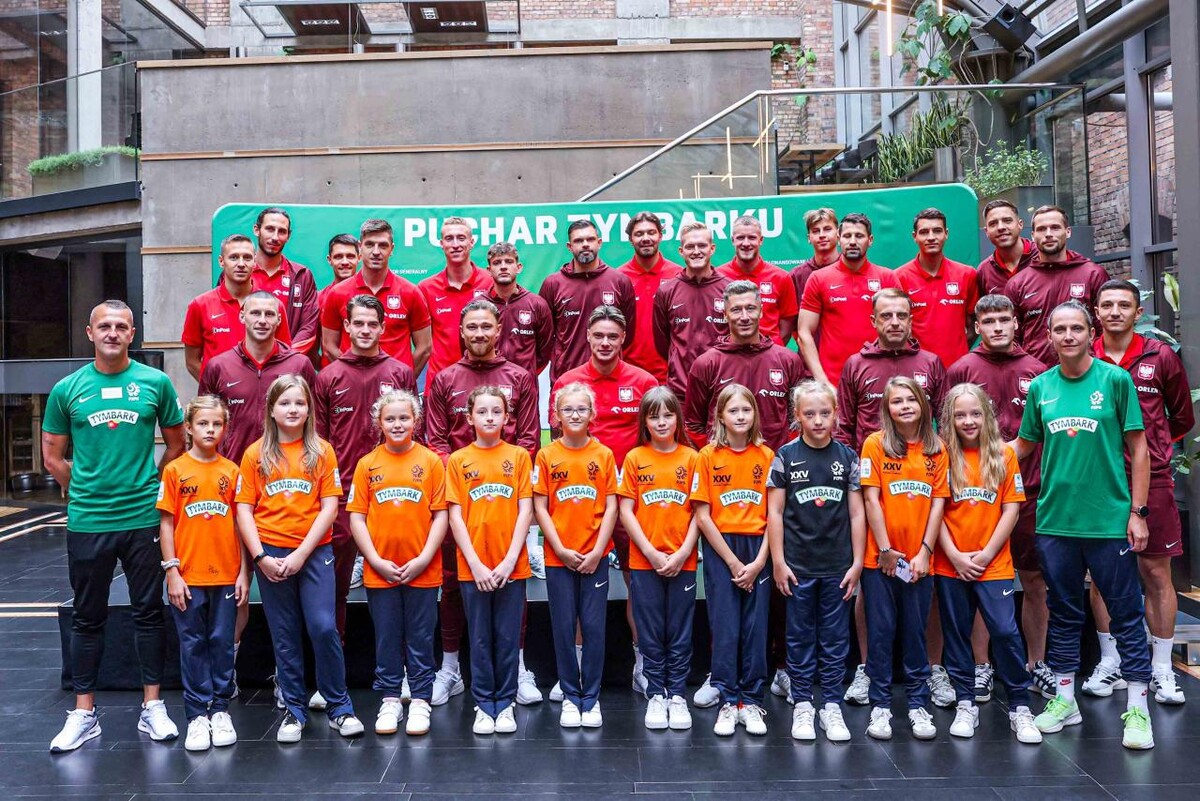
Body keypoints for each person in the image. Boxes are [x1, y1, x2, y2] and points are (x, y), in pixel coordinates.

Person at [44, 300, 186, 753]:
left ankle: (152, 706)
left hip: (142, 516)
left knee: (148, 611)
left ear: (132, 334)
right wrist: (85, 489)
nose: (112, 333)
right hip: (89, 520)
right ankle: (83, 713)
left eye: (121, 326)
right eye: (104, 326)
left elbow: (177, 445)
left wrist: (150, 486)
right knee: (87, 616)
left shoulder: (155, 383)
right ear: (90, 332)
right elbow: (52, 456)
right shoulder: (67, 389)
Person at [1012, 300, 1155, 750]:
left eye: (1076, 328)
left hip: (1108, 522)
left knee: (1126, 614)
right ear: (1049, 336)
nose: (1068, 335)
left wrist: (1137, 512)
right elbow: (1022, 446)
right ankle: (1064, 700)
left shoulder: (1115, 380)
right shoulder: (1041, 386)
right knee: (1063, 613)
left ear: (1090, 332)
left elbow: (1140, 449)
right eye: (1060, 329)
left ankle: (1138, 708)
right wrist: (970, 457)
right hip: (1055, 522)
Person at [424, 299, 541, 707]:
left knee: (513, 583)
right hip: (460, 500)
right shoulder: (444, 378)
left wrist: (499, 475)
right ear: (461, 331)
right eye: (471, 326)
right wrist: (465, 474)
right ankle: (450, 668)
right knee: (452, 583)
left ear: (498, 330)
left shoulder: (520, 377)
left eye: (485, 326)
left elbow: (529, 439)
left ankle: (517, 668)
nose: (478, 333)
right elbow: (436, 441)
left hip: (505, 501)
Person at [235, 375, 364, 743]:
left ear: (309, 410)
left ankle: (340, 707)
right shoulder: (255, 454)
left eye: (300, 403)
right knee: (285, 633)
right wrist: (260, 556)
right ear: (271, 410)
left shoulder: (322, 451)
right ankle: (294, 710)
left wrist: (302, 553)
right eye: (285, 403)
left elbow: (330, 507)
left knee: (323, 626)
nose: (293, 409)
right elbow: (244, 510)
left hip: (314, 553)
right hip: (270, 555)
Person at [1084, 280, 1194, 704]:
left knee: (1156, 574)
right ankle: (1111, 661)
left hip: (1155, 480)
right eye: (1107, 305)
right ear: (1096, 312)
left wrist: (1154, 451)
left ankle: (1162, 669)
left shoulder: (1160, 356)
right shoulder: (1083, 354)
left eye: (1123, 305)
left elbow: (1181, 418)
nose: (1115, 312)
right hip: (1099, 482)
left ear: (1137, 312)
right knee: (1102, 577)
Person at [946, 294, 1053, 702]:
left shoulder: (1037, 371)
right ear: (977, 327)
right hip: (973, 496)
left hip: (1030, 492)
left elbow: (1044, 431)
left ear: (1016, 324)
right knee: (977, 577)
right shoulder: (962, 369)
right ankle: (981, 667)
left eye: (1004, 320)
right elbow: (947, 428)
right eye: (988, 321)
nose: (997, 327)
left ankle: (1036, 663)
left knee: (1034, 580)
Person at [551, 306, 659, 695]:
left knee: (639, 584)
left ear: (623, 338)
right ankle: (575, 671)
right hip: (583, 503)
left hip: (632, 500)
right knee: (579, 583)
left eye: (613, 336)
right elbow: (559, 441)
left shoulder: (644, 382)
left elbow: (653, 440)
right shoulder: (568, 382)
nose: (605, 342)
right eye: (598, 335)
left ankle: (643, 665)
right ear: (587, 337)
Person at [934, 383, 1043, 744]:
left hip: (993, 564)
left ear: (987, 416)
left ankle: (1020, 706)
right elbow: (934, 512)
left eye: (975, 413)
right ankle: (966, 702)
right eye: (960, 415)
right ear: (949, 419)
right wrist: (954, 555)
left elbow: (1011, 510)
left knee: (1006, 632)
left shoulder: (1003, 455)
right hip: (950, 563)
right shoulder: (941, 455)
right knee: (956, 634)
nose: (968, 421)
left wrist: (985, 554)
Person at [314, 295, 417, 659]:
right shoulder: (328, 376)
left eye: (372, 324)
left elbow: (412, 436)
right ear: (346, 327)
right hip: (342, 498)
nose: (365, 330)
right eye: (358, 323)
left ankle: (400, 669)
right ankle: (334, 669)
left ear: (383, 328)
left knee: (400, 583)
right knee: (335, 588)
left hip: (395, 494)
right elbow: (319, 443)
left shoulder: (400, 373)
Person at [767, 380, 864, 743]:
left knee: (836, 640)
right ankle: (804, 704)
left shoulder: (848, 458)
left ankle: (832, 705)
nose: (818, 420)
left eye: (825, 413)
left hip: (838, 568)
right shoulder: (785, 456)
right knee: (799, 637)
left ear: (836, 414)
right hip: (797, 568)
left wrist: (857, 562)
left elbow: (857, 514)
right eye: (810, 414)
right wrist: (778, 561)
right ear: (797, 416)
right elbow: (775, 513)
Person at [347, 390, 447, 737]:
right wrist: (374, 559)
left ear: (416, 420)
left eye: (404, 417)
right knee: (387, 638)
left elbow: (440, 515)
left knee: (420, 637)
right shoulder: (367, 464)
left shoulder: (431, 462)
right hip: (381, 572)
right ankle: (390, 699)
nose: (398, 424)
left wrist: (423, 558)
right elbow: (357, 517)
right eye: (390, 418)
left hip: (423, 570)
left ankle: (420, 699)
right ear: (379, 423)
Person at [858, 376, 949, 741]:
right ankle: (880, 705)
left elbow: (938, 503)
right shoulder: (874, 444)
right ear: (887, 409)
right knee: (881, 633)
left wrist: (925, 551)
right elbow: (870, 499)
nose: (905, 406)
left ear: (923, 405)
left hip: (919, 562)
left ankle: (918, 705)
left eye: (911, 399)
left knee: (915, 633)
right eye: (897, 401)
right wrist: (884, 550)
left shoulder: (937, 449)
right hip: (879, 561)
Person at [156, 395, 247, 752]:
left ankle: (220, 709)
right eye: (203, 424)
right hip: (189, 576)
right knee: (193, 643)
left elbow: (240, 525)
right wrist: (172, 572)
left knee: (222, 641)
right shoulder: (175, 470)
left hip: (226, 574)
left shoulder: (232, 471)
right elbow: (166, 524)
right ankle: (196, 714)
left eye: (217, 424)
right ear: (189, 428)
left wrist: (243, 573)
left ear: (225, 428)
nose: (210, 430)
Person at [446, 386, 534, 736]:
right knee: (480, 638)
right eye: (481, 412)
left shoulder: (519, 456)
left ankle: (505, 701)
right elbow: (455, 516)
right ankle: (484, 704)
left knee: (507, 637)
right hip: (474, 568)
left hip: (512, 565)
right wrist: (475, 564)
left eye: (496, 411)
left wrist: (510, 559)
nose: (489, 418)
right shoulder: (458, 460)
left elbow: (526, 510)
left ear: (507, 417)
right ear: (469, 418)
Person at [690, 384, 775, 736]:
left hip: (759, 550)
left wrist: (758, 563)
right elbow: (702, 515)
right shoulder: (707, 456)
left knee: (756, 629)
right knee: (725, 626)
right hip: (721, 549)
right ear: (720, 417)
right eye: (733, 410)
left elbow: (775, 516)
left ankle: (751, 701)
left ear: (755, 414)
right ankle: (727, 700)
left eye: (746, 410)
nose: (740, 416)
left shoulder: (767, 456)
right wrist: (733, 563)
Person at [534, 382, 619, 728]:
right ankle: (571, 695)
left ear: (592, 414)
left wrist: (598, 550)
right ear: (556, 415)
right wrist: (558, 547)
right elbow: (540, 506)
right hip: (559, 558)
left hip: (595, 558)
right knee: (563, 627)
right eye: (567, 409)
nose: (574, 414)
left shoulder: (604, 455)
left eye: (581, 409)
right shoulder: (546, 456)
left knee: (594, 628)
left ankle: (591, 698)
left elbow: (612, 506)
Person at [618, 387, 699, 731]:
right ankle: (655, 693)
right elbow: (625, 510)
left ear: (678, 419)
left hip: (683, 561)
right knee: (650, 630)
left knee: (679, 630)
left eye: (668, 415)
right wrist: (650, 552)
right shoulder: (635, 458)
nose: (662, 422)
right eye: (654, 416)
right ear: (644, 422)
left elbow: (699, 513)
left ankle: (676, 694)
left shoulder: (692, 458)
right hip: (644, 561)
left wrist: (682, 552)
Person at [684, 280, 806, 450]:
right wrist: (714, 456)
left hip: (774, 462)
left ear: (761, 311)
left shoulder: (788, 361)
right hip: (722, 463)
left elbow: (798, 419)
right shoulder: (706, 364)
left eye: (750, 308)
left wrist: (784, 456)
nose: (744, 317)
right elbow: (694, 425)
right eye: (736, 310)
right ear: (725, 314)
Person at [199, 291, 317, 464]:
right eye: (255, 313)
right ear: (242, 316)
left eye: (269, 314)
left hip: (287, 470)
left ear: (279, 319)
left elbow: (314, 422)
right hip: (232, 468)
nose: (262, 320)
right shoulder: (218, 366)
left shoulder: (299, 365)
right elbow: (202, 423)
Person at [837, 288, 947, 452]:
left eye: (901, 316)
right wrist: (850, 464)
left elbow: (946, 423)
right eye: (886, 316)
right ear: (874, 321)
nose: (895, 322)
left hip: (923, 462)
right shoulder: (856, 365)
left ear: (910, 321)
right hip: (872, 462)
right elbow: (843, 426)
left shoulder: (931, 363)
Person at [798, 212, 900, 386]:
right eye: (847, 236)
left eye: (859, 236)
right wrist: (822, 381)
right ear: (839, 239)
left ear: (870, 240)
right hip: (834, 382)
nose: (852, 241)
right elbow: (804, 333)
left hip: (880, 381)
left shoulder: (887, 278)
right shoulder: (818, 278)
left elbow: (901, 330)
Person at [321, 219, 431, 372]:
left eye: (383, 245)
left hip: (396, 385)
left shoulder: (411, 292)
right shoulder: (337, 293)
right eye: (370, 244)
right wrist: (350, 376)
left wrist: (403, 379)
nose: (376, 252)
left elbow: (424, 348)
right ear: (360, 247)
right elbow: (329, 346)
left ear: (392, 249)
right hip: (352, 383)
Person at [1005, 206, 1110, 366]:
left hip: (1084, 372)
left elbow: (1105, 330)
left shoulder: (1093, 274)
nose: (1048, 234)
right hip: (1036, 375)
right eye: (1041, 229)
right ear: (1033, 235)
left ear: (1068, 231)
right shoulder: (1017, 283)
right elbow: (1012, 338)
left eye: (1055, 227)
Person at [182, 234, 293, 380]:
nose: (241, 264)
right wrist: (215, 387)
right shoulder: (200, 305)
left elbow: (285, 357)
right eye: (234, 257)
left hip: (263, 391)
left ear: (255, 262)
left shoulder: (273, 305)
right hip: (218, 394)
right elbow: (192, 361)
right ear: (221, 261)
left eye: (247, 258)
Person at [539, 219, 638, 382]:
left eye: (590, 239)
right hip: (566, 378)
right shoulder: (553, 284)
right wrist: (561, 359)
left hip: (609, 377)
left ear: (599, 243)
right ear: (569, 246)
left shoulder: (620, 281)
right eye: (578, 241)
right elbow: (543, 337)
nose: (585, 244)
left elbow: (627, 333)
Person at [652, 222, 731, 400]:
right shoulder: (666, 291)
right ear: (681, 251)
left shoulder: (729, 290)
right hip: (681, 391)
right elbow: (662, 344)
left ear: (712, 249)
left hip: (722, 390)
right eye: (690, 247)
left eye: (702, 245)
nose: (696, 251)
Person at [895, 208, 980, 367]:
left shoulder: (967, 275)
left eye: (937, 231)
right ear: (914, 236)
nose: (931, 237)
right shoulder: (899, 277)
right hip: (916, 369)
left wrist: (959, 351)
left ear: (946, 234)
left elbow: (975, 323)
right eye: (924, 232)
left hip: (957, 368)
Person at [418, 217, 494, 380]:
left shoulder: (490, 282)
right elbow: (421, 343)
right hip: (440, 381)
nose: (455, 244)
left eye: (461, 238)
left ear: (471, 242)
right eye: (449, 238)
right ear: (441, 244)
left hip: (484, 379)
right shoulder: (426, 288)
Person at [618, 211, 683, 382]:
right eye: (639, 234)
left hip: (670, 374)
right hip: (629, 375)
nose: (645, 238)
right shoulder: (619, 278)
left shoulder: (678, 275)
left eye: (651, 232)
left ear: (660, 236)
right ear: (630, 239)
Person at [717, 214, 799, 345]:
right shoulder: (718, 276)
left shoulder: (781, 277)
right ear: (732, 240)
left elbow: (787, 325)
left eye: (752, 238)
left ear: (761, 240)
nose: (746, 243)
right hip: (730, 354)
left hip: (770, 354)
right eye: (740, 238)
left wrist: (768, 351)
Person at [251, 207, 320, 359]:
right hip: (246, 363)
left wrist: (285, 360)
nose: (275, 237)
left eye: (282, 231)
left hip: (288, 363)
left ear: (288, 236)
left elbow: (309, 328)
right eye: (270, 229)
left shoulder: (302, 275)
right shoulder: (239, 272)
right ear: (257, 230)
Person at [485, 242, 552, 380]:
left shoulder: (537, 304)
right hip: (487, 384)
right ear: (489, 270)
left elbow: (545, 352)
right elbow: (469, 347)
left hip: (525, 386)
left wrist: (526, 374)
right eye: (497, 263)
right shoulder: (478, 307)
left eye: (509, 261)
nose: (503, 266)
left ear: (519, 267)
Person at [317, 234, 361, 365]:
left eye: (350, 256)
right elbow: (312, 349)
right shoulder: (319, 298)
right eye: (338, 257)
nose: (345, 262)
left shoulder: (370, 296)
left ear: (359, 257)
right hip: (331, 374)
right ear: (329, 260)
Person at [977, 200, 1035, 296]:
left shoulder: (1042, 257)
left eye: (1007, 221)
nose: (1001, 227)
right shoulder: (984, 271)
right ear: (986, 231)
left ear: (1020, 224)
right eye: (993, 223)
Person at [789, 208, 841, 306]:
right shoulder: (797, 275)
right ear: (809, 238)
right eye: (816, 231)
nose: (822, 235)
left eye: (827, 229)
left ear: (838, 234)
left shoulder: (850, 268)